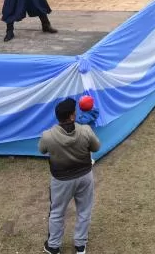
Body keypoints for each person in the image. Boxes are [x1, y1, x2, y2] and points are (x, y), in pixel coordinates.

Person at [39, 98, 100, 254]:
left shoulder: (48, 135)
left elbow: (42, 150)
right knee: (84, 210)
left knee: (57, 212)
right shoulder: (86, 130)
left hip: (61, 181)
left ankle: (53, 246)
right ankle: (80, 245)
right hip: (85, 177)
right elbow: (96, 147)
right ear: (72, 116)